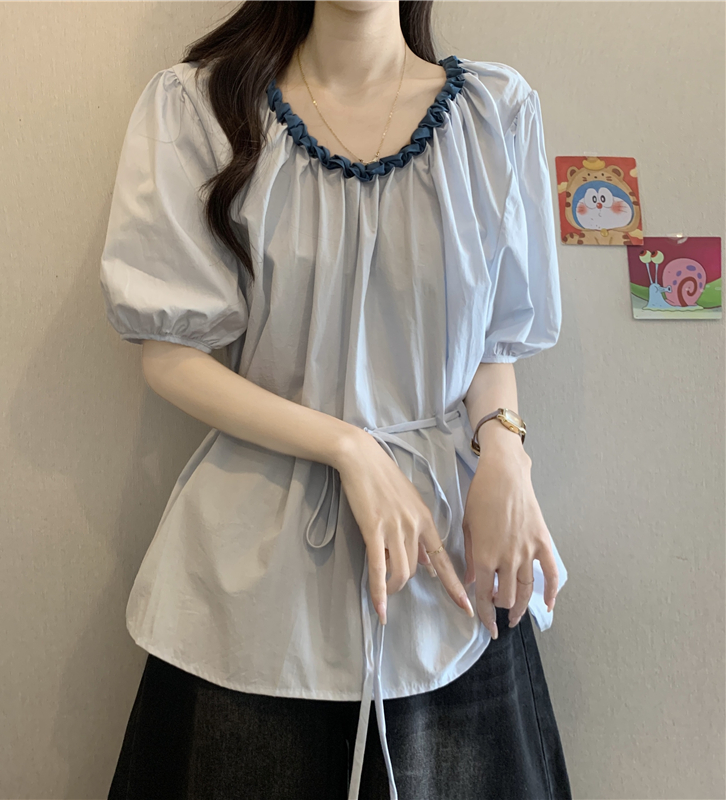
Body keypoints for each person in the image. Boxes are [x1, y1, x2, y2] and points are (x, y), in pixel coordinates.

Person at [100, 2, 572, 798]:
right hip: (258, 565)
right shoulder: (200, 110)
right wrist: (350, 448)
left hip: (446, 561)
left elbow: (492, 344)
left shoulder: (496, 114)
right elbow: (170, 353)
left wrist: (507, 455)